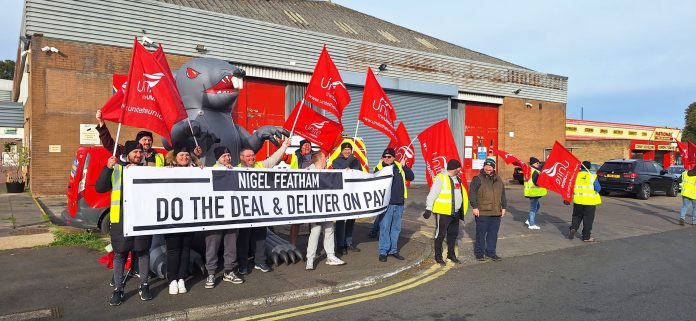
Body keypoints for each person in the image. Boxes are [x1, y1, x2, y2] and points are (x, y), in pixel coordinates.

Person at [95, 141, 152, 306]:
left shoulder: (147, 171)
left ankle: (144, 285)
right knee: (120, 254)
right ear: (127, 154)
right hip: (121, 220)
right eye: (135, 152)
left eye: (140, 152)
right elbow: (100, 187)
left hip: (142, 219)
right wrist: (107, 167)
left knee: (143, 252)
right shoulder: (117, 170)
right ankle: (118, 289)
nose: (138, 155)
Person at [236, 138, 291, 275]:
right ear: (241, 157)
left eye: (253, 155)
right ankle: (242, 265)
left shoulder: (261, 165)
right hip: (244, 212)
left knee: (260, 238)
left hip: (260, 212)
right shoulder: (234, 169)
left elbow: (274, 158)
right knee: (243, 240)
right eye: (248, 156)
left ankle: (260, 262)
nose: (252, 158)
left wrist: (284, 146)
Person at [96, 110, 201, 164]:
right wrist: (101, 123)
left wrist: (195, 156)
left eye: (149, 140)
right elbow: (108, 143)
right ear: (138, 142)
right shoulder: (125, 152)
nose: (147, 142)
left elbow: (179, 163)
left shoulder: (159, 157)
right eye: (144, 140)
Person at [163, 146, 202, 294]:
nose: (184, 157)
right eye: (181, 154)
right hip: (171, 217)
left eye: (187, 155)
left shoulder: (196, 169)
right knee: (173, 250)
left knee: (185, 249)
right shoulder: (166, 170)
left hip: (189, 216)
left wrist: (201, 167)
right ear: (174, 157)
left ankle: (181, 278)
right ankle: (172, 279)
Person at [204, 147, 243, 289]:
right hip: (215, 216)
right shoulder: (211, 169)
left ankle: (229, 271)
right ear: (217, 159)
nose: (227, 158)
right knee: (212, 245)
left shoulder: (234, 169)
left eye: (228, 155)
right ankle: (211, 273)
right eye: (224, 156)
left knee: (231, 245)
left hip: (232, 214)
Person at [305, 151, 346, 270]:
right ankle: (310, 259)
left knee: (329, 230)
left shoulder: (326, 171)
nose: (326, 160)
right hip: (315, 208)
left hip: (326, 207)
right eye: (324, 159)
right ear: (320, 159)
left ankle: (331, 256)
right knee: (315, 232)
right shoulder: (308, 171)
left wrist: (347, 172)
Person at [423, 159, 469, 265]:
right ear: (454, 168)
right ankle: (438, 257)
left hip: (455, 212)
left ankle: (451, 255)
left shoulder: (457, 178)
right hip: (443, 212)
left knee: (453, 235)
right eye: (459, 168)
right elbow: (432, 193)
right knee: (440, 235)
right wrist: (428, 208)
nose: (460, 169)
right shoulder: (441, 178)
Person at [374, 148, 414, 262]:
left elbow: (411, 177)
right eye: (385, 157)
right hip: (386, 204)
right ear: (382, 157)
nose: (387, 159)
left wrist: (405, 166)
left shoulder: (399, 166)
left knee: (396, 228)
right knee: (385, 227)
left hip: (399, 202)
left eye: (389, 157)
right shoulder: (379, 168)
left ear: (394, 157)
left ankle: (393, 250)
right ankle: (383, 251)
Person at [469, 158, 506, 262]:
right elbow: (472, 194)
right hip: (482, 211)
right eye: (486, 166)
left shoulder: (498, 179)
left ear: (493, 168)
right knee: (481, 233)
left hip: (496, 212)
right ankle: (479, 253)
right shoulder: (477, 178)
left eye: (490, 166)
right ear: (484, 166)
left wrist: (504, 207)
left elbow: (503, 194)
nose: (488, 168)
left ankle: (491, 252)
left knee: (493, 233)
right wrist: (475, 207)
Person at [331, 142, 364, 255]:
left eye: (349, 149)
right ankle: (340, 245)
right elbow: (339, 168)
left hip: (353, 194)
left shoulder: (356, 161)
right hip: (341, 195)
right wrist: (349, 160)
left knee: (351, 220)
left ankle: (348, 243)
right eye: (345, 149)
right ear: (341, 151)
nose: (347, 151)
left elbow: (361, 174)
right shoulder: (336, 160)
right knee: (340, 221)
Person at [568, 161, 602, 242]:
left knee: (576, 216)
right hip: (590, 202)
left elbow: (571, 187)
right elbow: (598, 188)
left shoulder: (575, 176)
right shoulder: (592, 176)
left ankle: (573, 228)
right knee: (588, 219)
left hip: (578, 200)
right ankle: (586, 237)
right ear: (589, 167)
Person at [287, 139, 313, 245]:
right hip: (298, 192)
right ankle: (293, 245)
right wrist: (281, 144)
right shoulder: (295, 156)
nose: (307, 147)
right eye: (304, 145)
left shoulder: (316, 157)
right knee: (296, 221)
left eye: (308, 145)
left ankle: (312, 245)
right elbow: (283, 157)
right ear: (300, 147)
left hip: (313, 192)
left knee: (314, 220)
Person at [524, 157, 547, 230]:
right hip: (534, 193)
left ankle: (529, 220)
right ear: (533, 163)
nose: (538, 164)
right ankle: (532, 224)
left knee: (537, 206)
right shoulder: (535, 171)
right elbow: (537, 182)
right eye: (537, 163)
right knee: (533, 209)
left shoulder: (529, 170)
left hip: (530, 192)